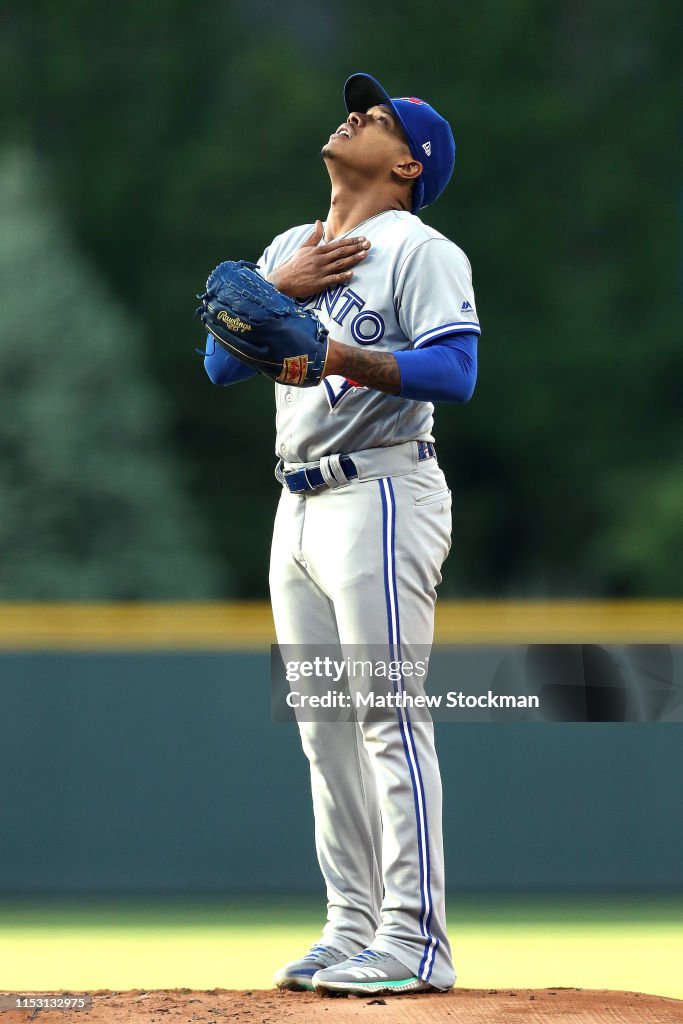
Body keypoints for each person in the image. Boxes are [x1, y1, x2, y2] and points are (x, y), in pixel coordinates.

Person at [203, 72, 480, 997]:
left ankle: (416, 937)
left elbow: (455, 370)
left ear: (408, 163)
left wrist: (335, 351)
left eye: (382, 116)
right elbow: (217, 365)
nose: (358, 112)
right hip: (297, 505)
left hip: (383, 491)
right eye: (358, 104)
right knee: (323, 727)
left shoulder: (418, 247)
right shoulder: (289, 244)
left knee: (386, 714)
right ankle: (352, 924)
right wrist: (274, 288)